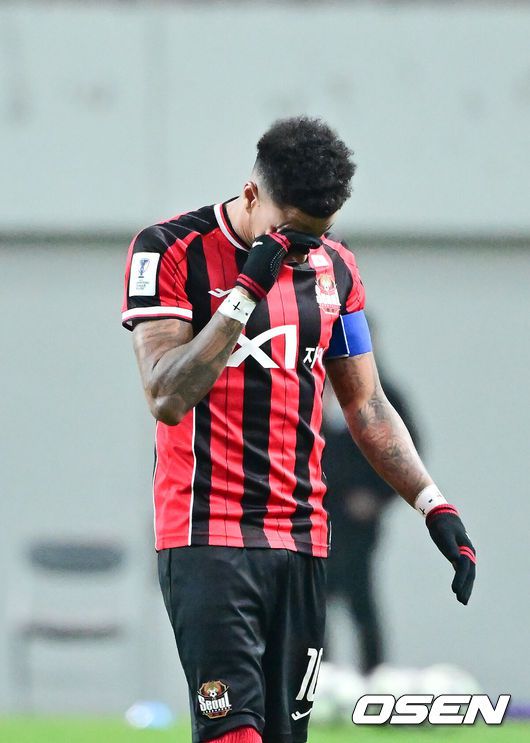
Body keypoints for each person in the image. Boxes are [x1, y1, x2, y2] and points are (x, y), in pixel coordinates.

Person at [121, 116, 476, 743]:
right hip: (207, 534)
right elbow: (166, 396)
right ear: (251, 195)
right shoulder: (169, 248)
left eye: (321, 232)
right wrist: (245, 291)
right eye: (293, 233)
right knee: (234, 733)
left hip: (303, 538)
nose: (306, 248)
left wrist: (432, 504)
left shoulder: (335, 269)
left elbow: (366, 404)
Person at [322, 322, 422, 674]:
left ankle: (374, 676)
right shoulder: (309, 386)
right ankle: (317, 680)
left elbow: (407, 454)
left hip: (356, 522)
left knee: (359, 596)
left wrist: (378, 497)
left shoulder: (384, 396)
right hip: (313, 515)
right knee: (313, 601)